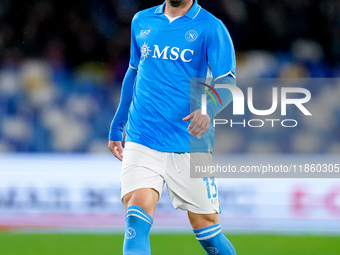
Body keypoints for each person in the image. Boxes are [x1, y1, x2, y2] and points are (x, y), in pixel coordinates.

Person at [108, 0, 236, 254]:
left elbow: (227, 81)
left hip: (188, 141)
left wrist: (207, 108)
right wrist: (117, 123)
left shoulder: (211, 27)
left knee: (207, 230)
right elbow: (134, 72)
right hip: (142, 136)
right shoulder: (141, 20)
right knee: (137, 211)